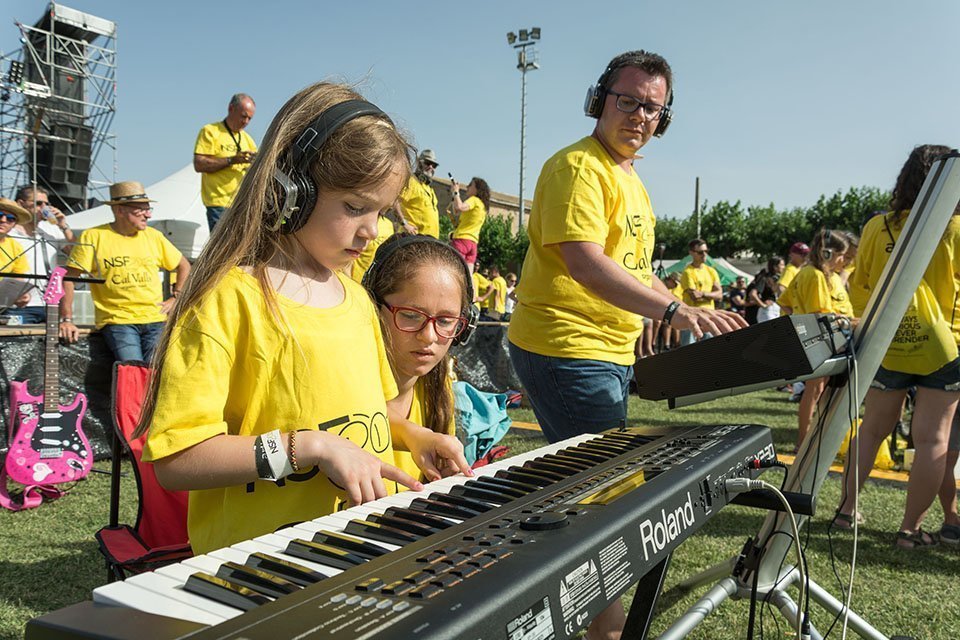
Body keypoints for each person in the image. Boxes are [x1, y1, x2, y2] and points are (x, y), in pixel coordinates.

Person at [136, 83, 470, 555]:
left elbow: (365, 420)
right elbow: (176, 458)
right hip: (263, 573)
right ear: (291, 190)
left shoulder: (356, 301)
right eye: (355, 207)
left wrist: (416, 436)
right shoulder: (228, 300)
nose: (371, 229)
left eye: (379, 210)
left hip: (361, 552)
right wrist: (303, 449)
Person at [507, 50, 744, 640]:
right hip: (567, 347)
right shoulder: (578, 168)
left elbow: (633, 268)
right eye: (627, 100)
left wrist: (689, 309)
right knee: (608, 501)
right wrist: (670, 307)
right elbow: (584, 263)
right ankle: (601, 628)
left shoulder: (630, 180)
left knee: (594, 491)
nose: (638, 115)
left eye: (652, 107)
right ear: (598, 100)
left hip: (602, 351)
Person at [835, 144, 960, 549]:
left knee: (871, 430)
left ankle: (846, 510)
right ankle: (910, 530)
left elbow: (860, 286)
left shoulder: (877, 227)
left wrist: (868, 325)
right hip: (945, 347)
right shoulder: (955, 228)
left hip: (887, 339)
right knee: (932, 440)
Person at [362, 234, 475, 481]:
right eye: (411, 316)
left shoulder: (438, 385)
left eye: (445, 321)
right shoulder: (347, 380)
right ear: (372, 307)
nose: (428, 336)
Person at [58, 182, 191, 362]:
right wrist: (66, 319)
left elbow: (184, 265)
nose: (148, 214)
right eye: (141, 210)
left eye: (148, 208)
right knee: (132, 371)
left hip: (155, 318)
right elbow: (67, 277)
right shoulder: (94, 236)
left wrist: (176, 298)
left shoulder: (154, 236)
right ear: (120, 210)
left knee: (154, 374)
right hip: (118, 320)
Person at [778, 229, 851, 450]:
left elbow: (785, 301)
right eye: (841, 255)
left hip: (818, 338)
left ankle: (808, 439)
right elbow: (822, 313)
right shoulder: (815, 275)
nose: (843, 261)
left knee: (818, 390)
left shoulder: (813, 273)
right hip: (819, 339)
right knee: (815, 390)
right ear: (827, 254)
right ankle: (804, 441)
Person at [3, 186, 75, 324]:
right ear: (21, 204)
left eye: (46, 204)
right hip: (18, 304)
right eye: (37, 203)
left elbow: (75, 254)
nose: (43, 207)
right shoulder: (8, 231)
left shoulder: (51, 230)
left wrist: (63, 226)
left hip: (50, 302)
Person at [193, 93, 258, 231]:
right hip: (218, 203)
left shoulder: (248, 139)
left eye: (249, 119)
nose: (246, 121)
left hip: (241, 203)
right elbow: (199, 164)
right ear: (231, 108)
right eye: (243, 116)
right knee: (223, 249)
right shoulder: (210, 131)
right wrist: (232, 160)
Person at [679, 238, 722, 345]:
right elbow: (695, 297)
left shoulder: (711, 271)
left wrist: (703, 294)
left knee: (710, 351)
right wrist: (712, 295)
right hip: (691, 317)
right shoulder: (687, 272)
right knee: (688, 351)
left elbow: (720, 295)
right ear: (691, 253)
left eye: (706, 251)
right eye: (700, 252)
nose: (704, 255)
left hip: (709, 316)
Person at [395, 149, 440, 237]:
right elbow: (394, 201)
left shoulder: (429, 188)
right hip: (414, 239)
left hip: (429, 240)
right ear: (419, 163)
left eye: (434, 165)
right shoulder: (411, 182)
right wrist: (405, 224)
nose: (431, 167)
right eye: (427, 163)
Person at [448, 177, 489, 272]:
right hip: (473, 243)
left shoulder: (474, 200)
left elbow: (459, 207)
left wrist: (456, 192)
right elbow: (456, 211)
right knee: (468, 276)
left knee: (454, 270)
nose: (467, 187)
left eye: (470, 185)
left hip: (461, 240)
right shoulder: (482, 205)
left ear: (477, 189)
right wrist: (454, 195)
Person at [348, 213, 395, 283]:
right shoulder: (358, 222)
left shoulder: (388, 225)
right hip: (351, 278)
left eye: (381, 213)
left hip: (370, 282)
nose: (373, 233)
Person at [0, 199, 31, 295]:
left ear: (14, 225)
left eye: (10, 218)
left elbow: (18, 278)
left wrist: (21, 295)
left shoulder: (15, 246)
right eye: (0, 215)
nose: (3, 220)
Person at [745, 256, 785, 323]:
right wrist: (763, 305)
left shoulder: (777, 278)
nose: (784, 267)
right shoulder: (764, 277)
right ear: (775, 267)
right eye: (782, 265)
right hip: (768, 311)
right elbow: (753, 294)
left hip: (776, 308)